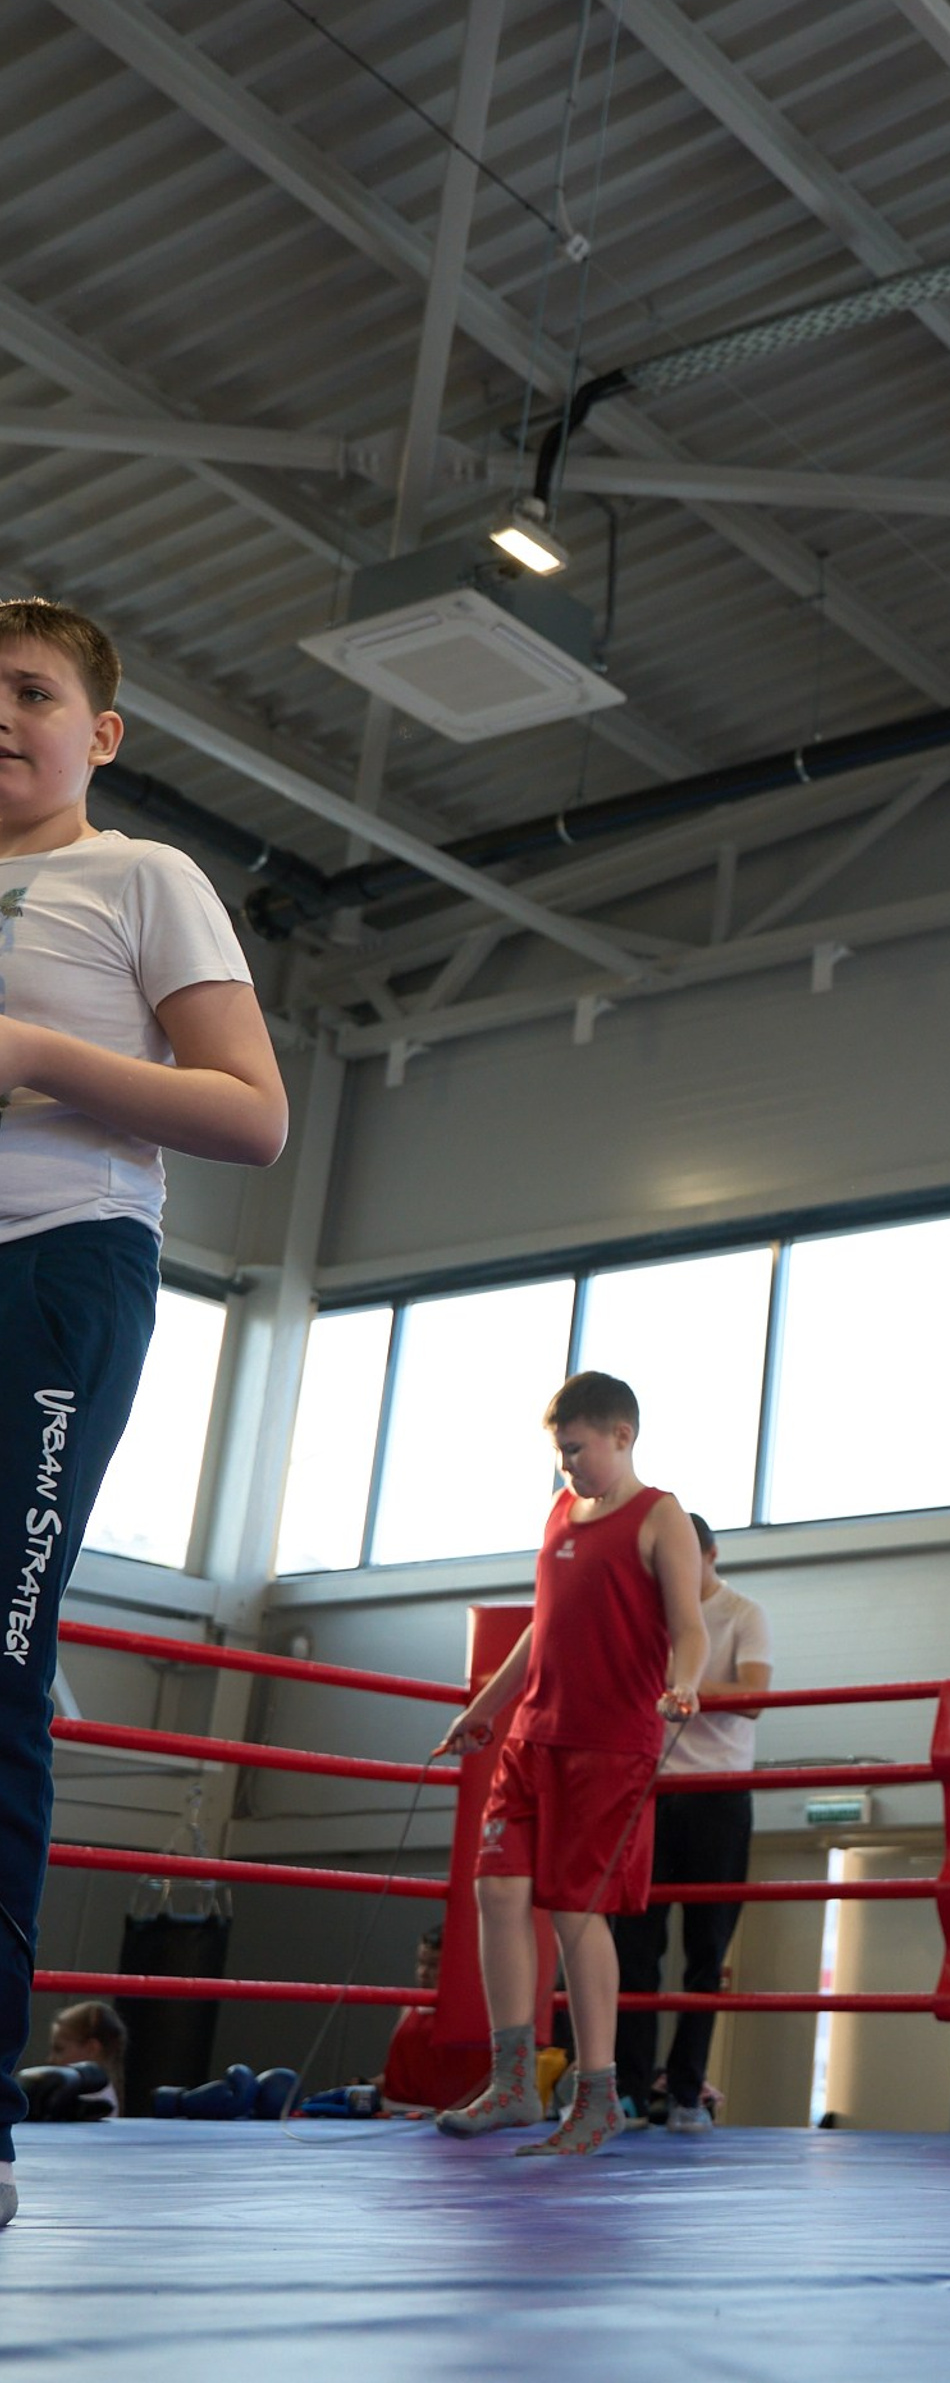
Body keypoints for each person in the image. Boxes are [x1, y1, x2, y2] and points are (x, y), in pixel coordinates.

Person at [0, 598, 288, 2232]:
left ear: (98, 732)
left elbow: (252, 1116)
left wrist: (35, 1050)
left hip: (56, 1266)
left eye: (31, 693)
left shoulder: (139, 877)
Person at [432, 1371, 707, 2158]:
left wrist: (683, 1685)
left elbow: (690, 1628)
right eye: (560, 1454)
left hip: (610, 1744)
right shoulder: (559, 1513)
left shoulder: (663, 1517)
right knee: (496, 1888)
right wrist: (482, 1709)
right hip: (531, 1736)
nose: (569, 1467)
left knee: (575, 1911)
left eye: (578, 1449)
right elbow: (541, 1629)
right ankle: (514, 2082)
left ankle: (597, 2093)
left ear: (621, 1436)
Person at [612, 1513, 773, 2132]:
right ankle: (627, 2088)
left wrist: (685, 1687)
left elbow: (756, 1696)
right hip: (649, 1790)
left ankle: (683, 2091)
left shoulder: (743, 1613)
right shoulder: (654, 1615)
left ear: (709, 1555)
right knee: (635, 1947)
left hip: (719, 1796)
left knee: (707, 1952)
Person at [376, 1923, 488, 2115]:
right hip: (394, 2113)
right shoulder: (408, 2007)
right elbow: (401, 2076)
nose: (423, 1972)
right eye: (420, 1962)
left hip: (450, 2117)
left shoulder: (479, 2012)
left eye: (433, 1965)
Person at [21, 1999, 125, 2122]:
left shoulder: (93, 2099)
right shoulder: (94, 2094)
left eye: (59, 2049)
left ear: (92, 2048)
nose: (51, 2059)